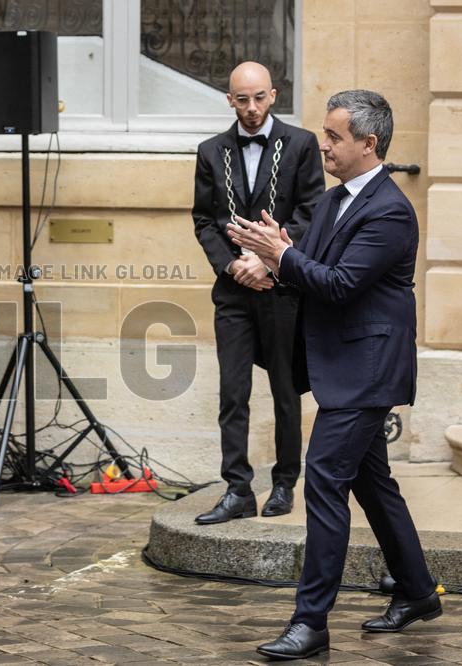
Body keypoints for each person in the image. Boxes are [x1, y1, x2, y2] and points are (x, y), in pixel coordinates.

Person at [227, 90, 439, 660]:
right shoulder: (332, 200)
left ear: (369, 143)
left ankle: (311, 622)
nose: (322, 145)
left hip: (367, 370)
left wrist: (280, 255)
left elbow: (341, 284)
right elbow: (310, 270)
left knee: (322, 479)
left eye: (333, 136)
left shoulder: (391, 210)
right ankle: (418, 591)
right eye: (324, 134)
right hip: (341, 365)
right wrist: (270, 260)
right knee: (372, 483)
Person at [191, 62, 324, 524]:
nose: (251, 108)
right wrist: (233, 265)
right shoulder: (210, 151)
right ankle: (237, 490)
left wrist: (267, 259)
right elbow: (203, 220)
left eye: (259, 97)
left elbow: (311, 212)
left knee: (286, 390)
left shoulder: (302, 144)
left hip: (281, 287)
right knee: (233, 393)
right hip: (233, 292)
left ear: (274, 95)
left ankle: (285, 482)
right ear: (230, 99)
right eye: (242, 99)